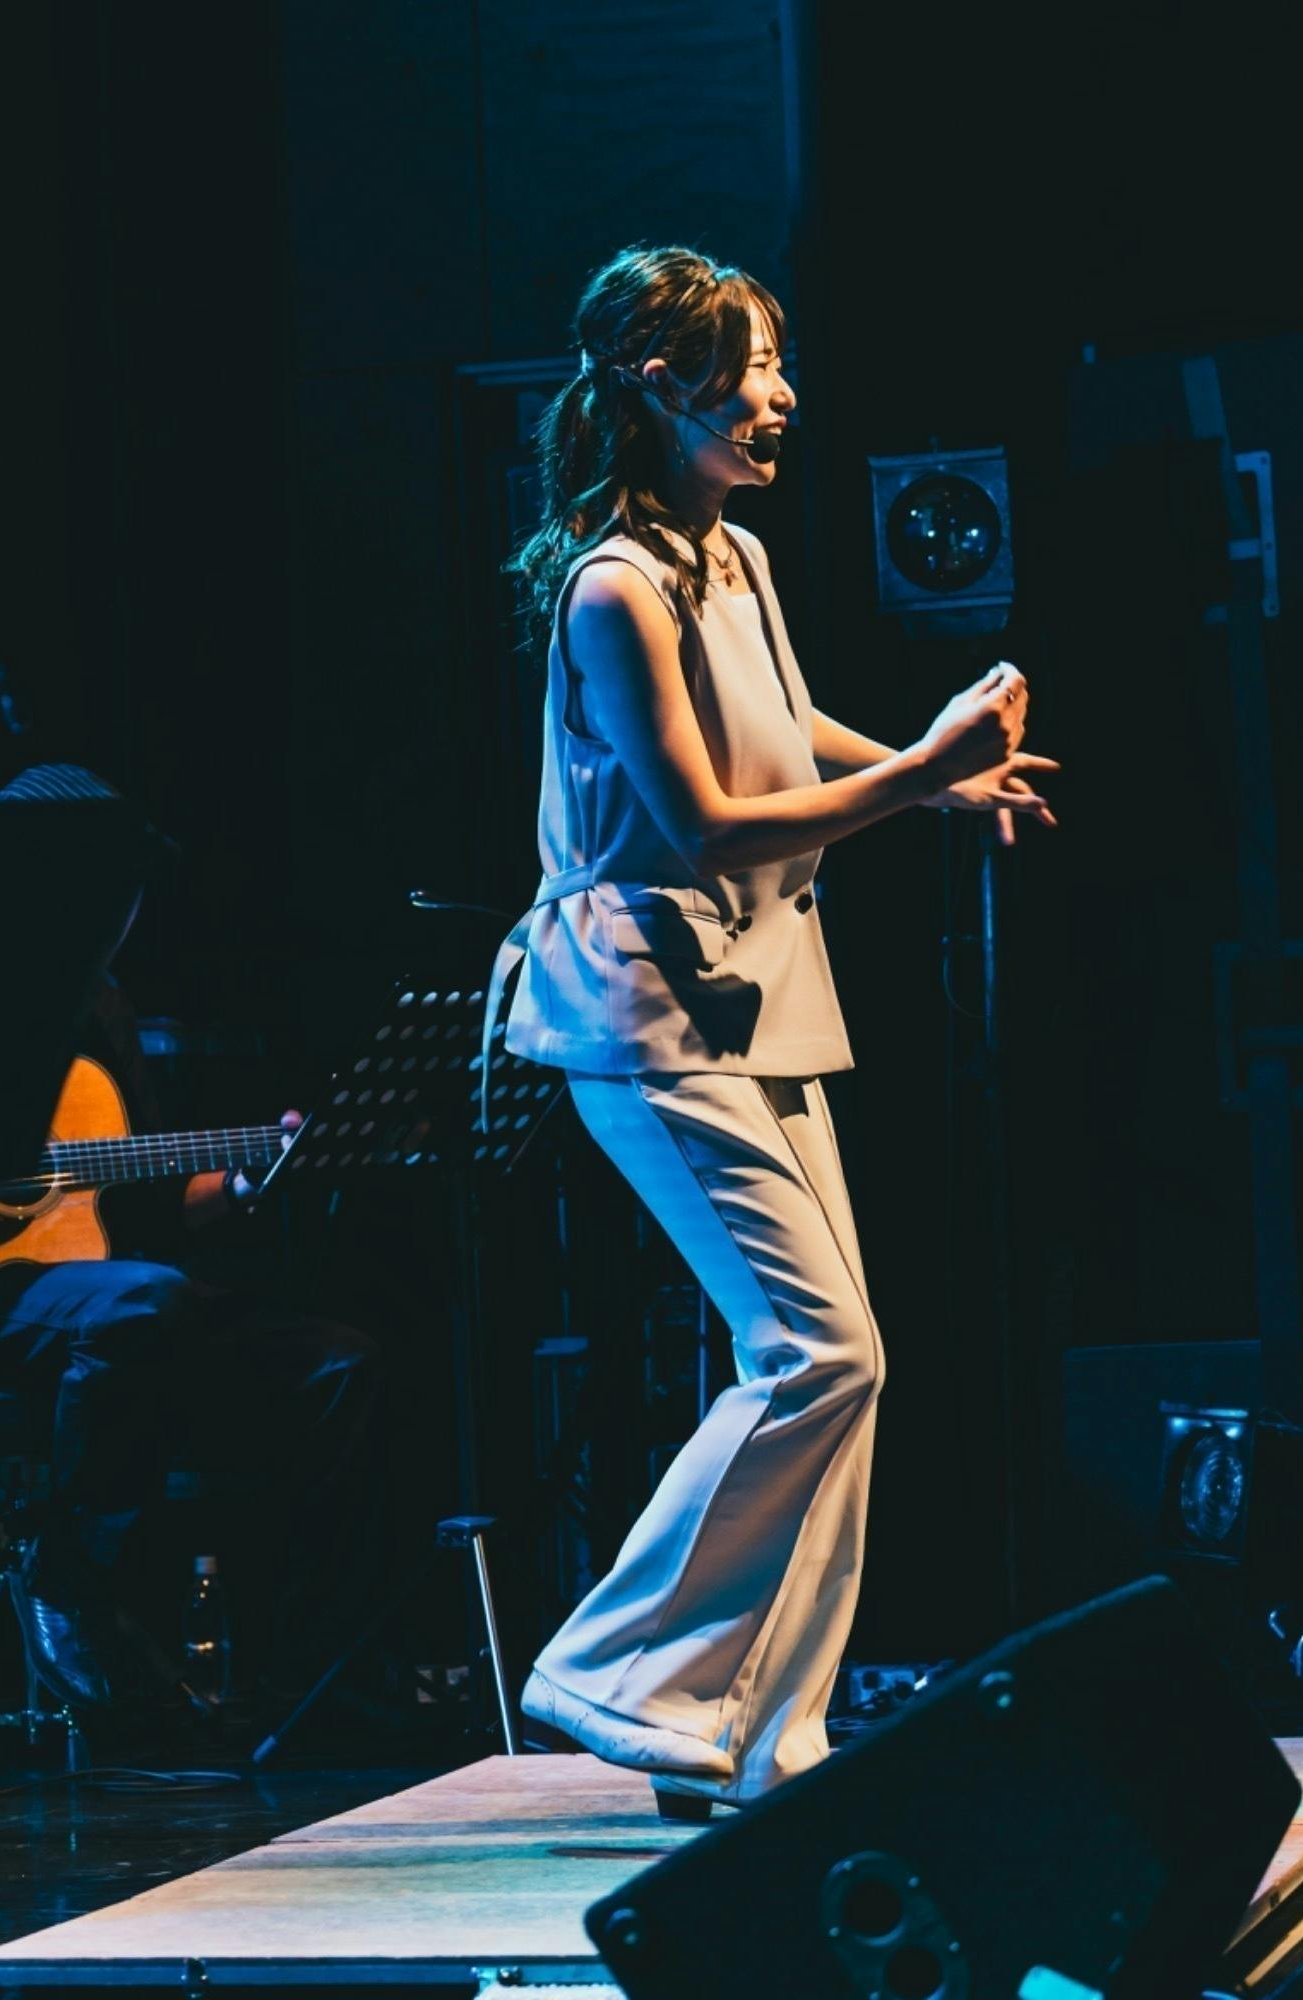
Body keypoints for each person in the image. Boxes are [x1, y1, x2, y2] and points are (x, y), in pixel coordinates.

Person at [490, 246, 1057, 1811]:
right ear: (664, 385)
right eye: (753, 368)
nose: (782, 394)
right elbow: (701, 820)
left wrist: (927, 778)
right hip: (647, 1008)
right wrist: (922, 769)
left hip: (761, 993)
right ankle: (624, 1675)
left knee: (841, 1363)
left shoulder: (729, 556)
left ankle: (760, 1732)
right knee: (819, 1349)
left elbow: (782, 724)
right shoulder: (615, 585)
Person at [0, 623, 379, 1710]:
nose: (122, 909)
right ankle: (72, 1576)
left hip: (99, 1299)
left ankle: (304, 1678)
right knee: (142, 1305)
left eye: (128, 887)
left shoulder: (105, 1007)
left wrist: (251, 1176)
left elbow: (150, 1211)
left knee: (339, 1365)